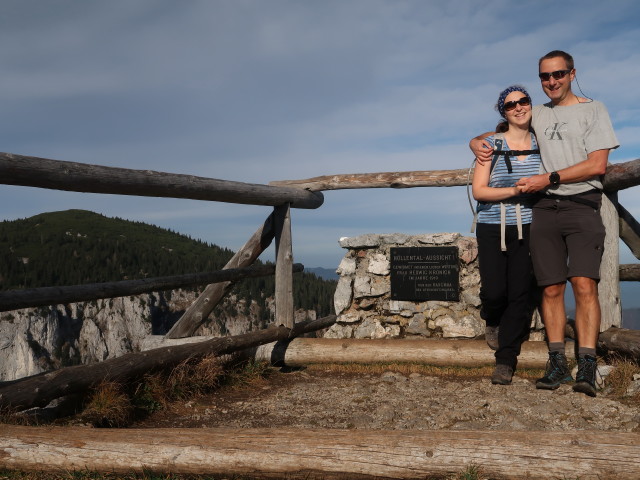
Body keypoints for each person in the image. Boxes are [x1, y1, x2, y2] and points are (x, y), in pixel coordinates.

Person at [470, 50, 619, 397]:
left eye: (559, 74)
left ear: (572, 73)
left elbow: (597, 165)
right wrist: (476, 142)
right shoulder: (537, 113)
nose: (552, 81)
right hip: (543, 210)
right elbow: (503, 126)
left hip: (581, 204)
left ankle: (586, 363)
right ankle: (556, 365)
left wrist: (547, 177)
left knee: (584, 285)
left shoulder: (593, 109)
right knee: (551, 288)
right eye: (545, 77)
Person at [472, 85, 541, 385]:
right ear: (504, 112)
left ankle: (506, 359)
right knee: (495, 291)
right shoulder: (490, 144)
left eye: (523, 101)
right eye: (511, 105)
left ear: (530, 104)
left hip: (529, 226)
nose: (518, 107)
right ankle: (491, 318)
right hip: (491, 225)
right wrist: (515, 190)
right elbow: (479, 190)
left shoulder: (543, 143)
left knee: (519, 294)